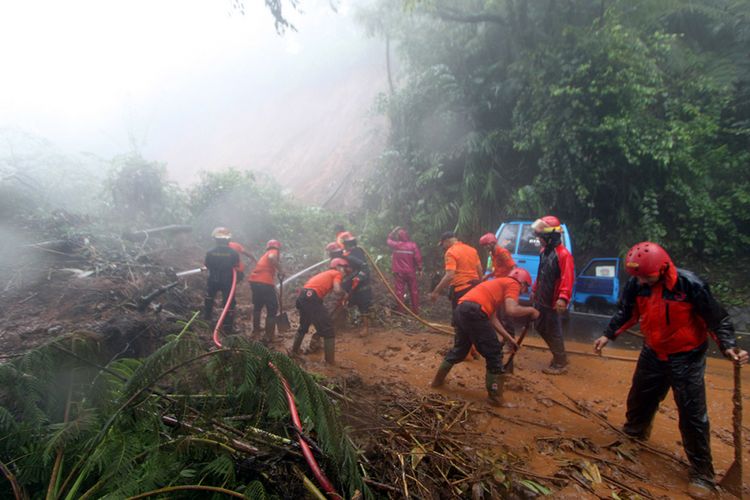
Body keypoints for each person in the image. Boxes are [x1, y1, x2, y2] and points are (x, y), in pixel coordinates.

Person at [593, 242, 748, 496]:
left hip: (686, 356)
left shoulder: (690, 285)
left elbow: (716, 319)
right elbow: (627, 312)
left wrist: (729, 346)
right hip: (653, 351)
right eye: (637, 276)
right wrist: (607, 335)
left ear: (663, 268)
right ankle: (635, 435)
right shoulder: (637, 284)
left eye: (646, 275)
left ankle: (702, 474)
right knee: (639, 398)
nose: (641, 281)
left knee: (692, 414)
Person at [430, 268, 539, 406]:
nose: (522, 292)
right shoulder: (513, 284)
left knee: (460, 350)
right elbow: (511, 310)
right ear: (523, 283)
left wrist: (510, 339)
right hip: (474, 312)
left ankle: (437, 381)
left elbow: (492, 318)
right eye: (525, 288)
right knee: (494, 353)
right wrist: (532, 310)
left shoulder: (495, 286)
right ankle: (495, 398)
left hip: (461, 310)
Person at [531, 216, 574, 374]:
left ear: (550, 237)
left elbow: (567, 278)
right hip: (542, 298)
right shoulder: (544, 252)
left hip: (553, 301)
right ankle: (558, 355)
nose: (539, 240)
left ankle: (560, 362)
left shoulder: (563, 255)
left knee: (553, 330)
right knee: (539, 326)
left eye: (541, 237)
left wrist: (563, 298)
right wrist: (535, 290)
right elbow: (541, 273)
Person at [291, 258, 349, 364]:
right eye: (344, 268)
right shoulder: (336, 273)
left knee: (304, 326)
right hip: (312, 298)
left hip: (302, 297)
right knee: (328, 330)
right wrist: (344, 293)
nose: (345, 271)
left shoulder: (326, 273)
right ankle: (330, 363)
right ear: (338, 267)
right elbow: (337, 290)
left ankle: (294, 352)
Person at [203, 227, 240, 333]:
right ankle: (227, 326)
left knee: (209, 297)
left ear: (215, 239)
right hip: (228, 281)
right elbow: (236, 265)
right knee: (229, 302)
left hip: (213, 279)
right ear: (228, 239)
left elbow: (207, 265)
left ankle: (207, 319)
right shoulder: (233, 253)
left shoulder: (210, 252)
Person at [248, 239, 284, 342]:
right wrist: (281, 270)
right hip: (264, 283)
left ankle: (256, 330)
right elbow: (272, 257)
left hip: (254, 281)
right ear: (277, 247)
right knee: (272, 308)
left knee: (258, 306)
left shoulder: (264, 255)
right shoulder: (273, 252)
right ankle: (269, 336)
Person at [387, 226, 423, 313]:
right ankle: (415, 311)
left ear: (398, 237)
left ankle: (401, 311)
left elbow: (388, 240)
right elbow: (418, 258)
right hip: (410, 272)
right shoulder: (413, 245)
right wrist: (420, 269)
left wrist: (393, 231)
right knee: (414, 292)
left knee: (399, 292)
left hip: (399, 273)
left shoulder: (396, 245)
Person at [342, 234, 373, 325]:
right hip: (354, 284)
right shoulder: (349, 253)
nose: (346, 247)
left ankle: (366, 327)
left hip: (363, 284)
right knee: (350, 302)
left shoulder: (356, 252)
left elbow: (364, 267)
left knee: (364, 306)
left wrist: (358, 278)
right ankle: (348, 321)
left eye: (347, 245)